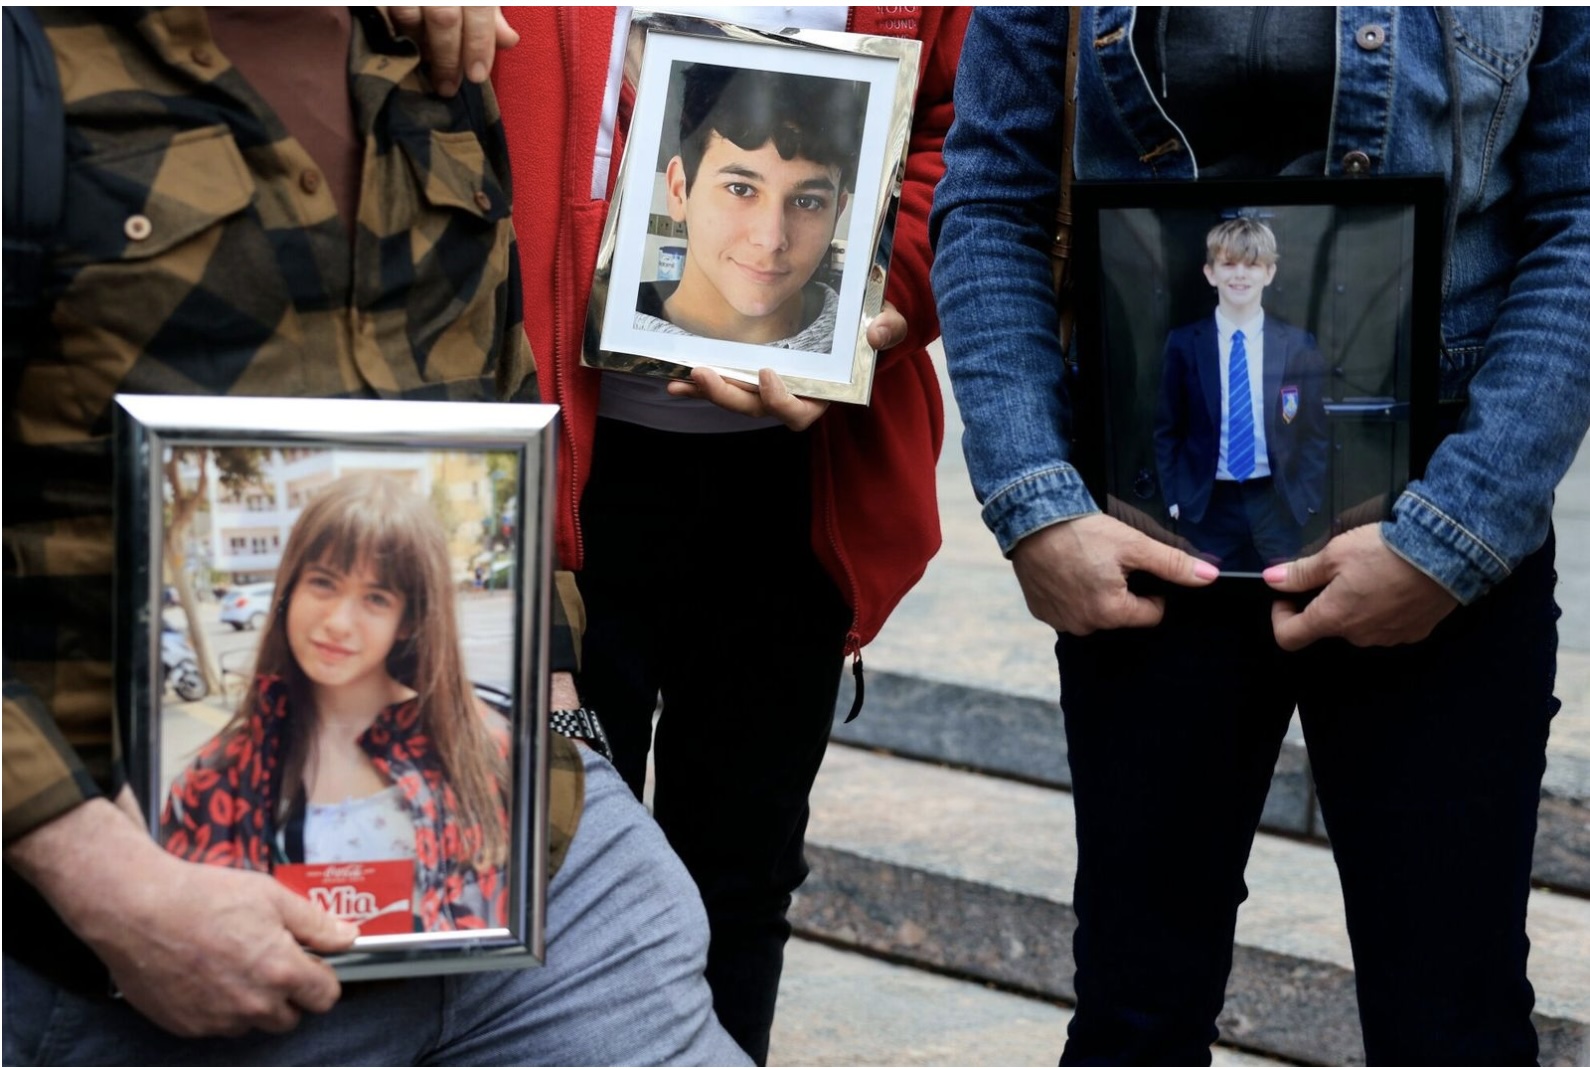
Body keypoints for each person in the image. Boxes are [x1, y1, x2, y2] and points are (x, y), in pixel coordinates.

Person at [3, 8, 746, 1065]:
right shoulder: (32, 64)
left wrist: (566, 733)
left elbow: (494, 404)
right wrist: (105, 882)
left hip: (537, 901)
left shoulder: (433, 54)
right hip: (159, 960)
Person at [931, 7, 1586, 1064]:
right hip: (1147, 536)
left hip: (1440, 522)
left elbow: (1580, 212)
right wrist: (1034, 499)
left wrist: (1455, 531)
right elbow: (992, 197)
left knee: (1452, 1026)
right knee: (1134, 1018)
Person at [495, 8, 968, 1062]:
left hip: (795, 490)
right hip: (554, 464)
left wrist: (881, 299)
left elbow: (964, 136)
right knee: (541, 863)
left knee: (741, 872)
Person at [161, 473, 511, 934]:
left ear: (408, 621)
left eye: (376, 598)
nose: (339, 622)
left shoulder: (482, 747)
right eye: (323, 583)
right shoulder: (214, 779)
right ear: (290, 590)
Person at [633, 64, 866, 351]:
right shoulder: (595, 339)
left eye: (807, 202)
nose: (770, 240)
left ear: (838, 212)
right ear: (679, 190)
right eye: (740, 189)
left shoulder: (870, 354)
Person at [1154, 216, 1328, 571]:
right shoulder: (1185, 343)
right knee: (1206, 597)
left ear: (1269, 273)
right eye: (1229, 263)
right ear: (1210, 273)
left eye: (1252, 265)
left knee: (1283, 592)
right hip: (1206, 503)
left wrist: (1308, 499)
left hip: (1277, 500)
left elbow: (1314, 432)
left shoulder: (1296, 344)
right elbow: (1167, 429)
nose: (1240, 274)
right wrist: (1173, 497)